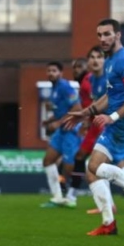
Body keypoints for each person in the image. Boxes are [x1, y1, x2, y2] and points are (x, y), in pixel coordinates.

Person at [64, 18, 124, 236]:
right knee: (92, 171)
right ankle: (109, 223)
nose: (103, 39)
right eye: (99, 35)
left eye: (107, 34)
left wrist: (112, 117)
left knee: (95, 168)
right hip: (115, 124)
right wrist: (85, 113)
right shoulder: (111, 60)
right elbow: (109, 95)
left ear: (118, 35)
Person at [40, 61, 82, 208]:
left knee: (69, 169)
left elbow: (77, 107)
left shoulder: (65, 86)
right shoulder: (54, 89)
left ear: (61, 73)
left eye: (54, 71)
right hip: (61, 131)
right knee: (47, 161)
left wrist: (58, 123)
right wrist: (50, 120)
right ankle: (57, 197)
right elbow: (61, 111)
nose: (51, 73)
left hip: (71, 131)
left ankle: (72, 196)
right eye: (49, 71)